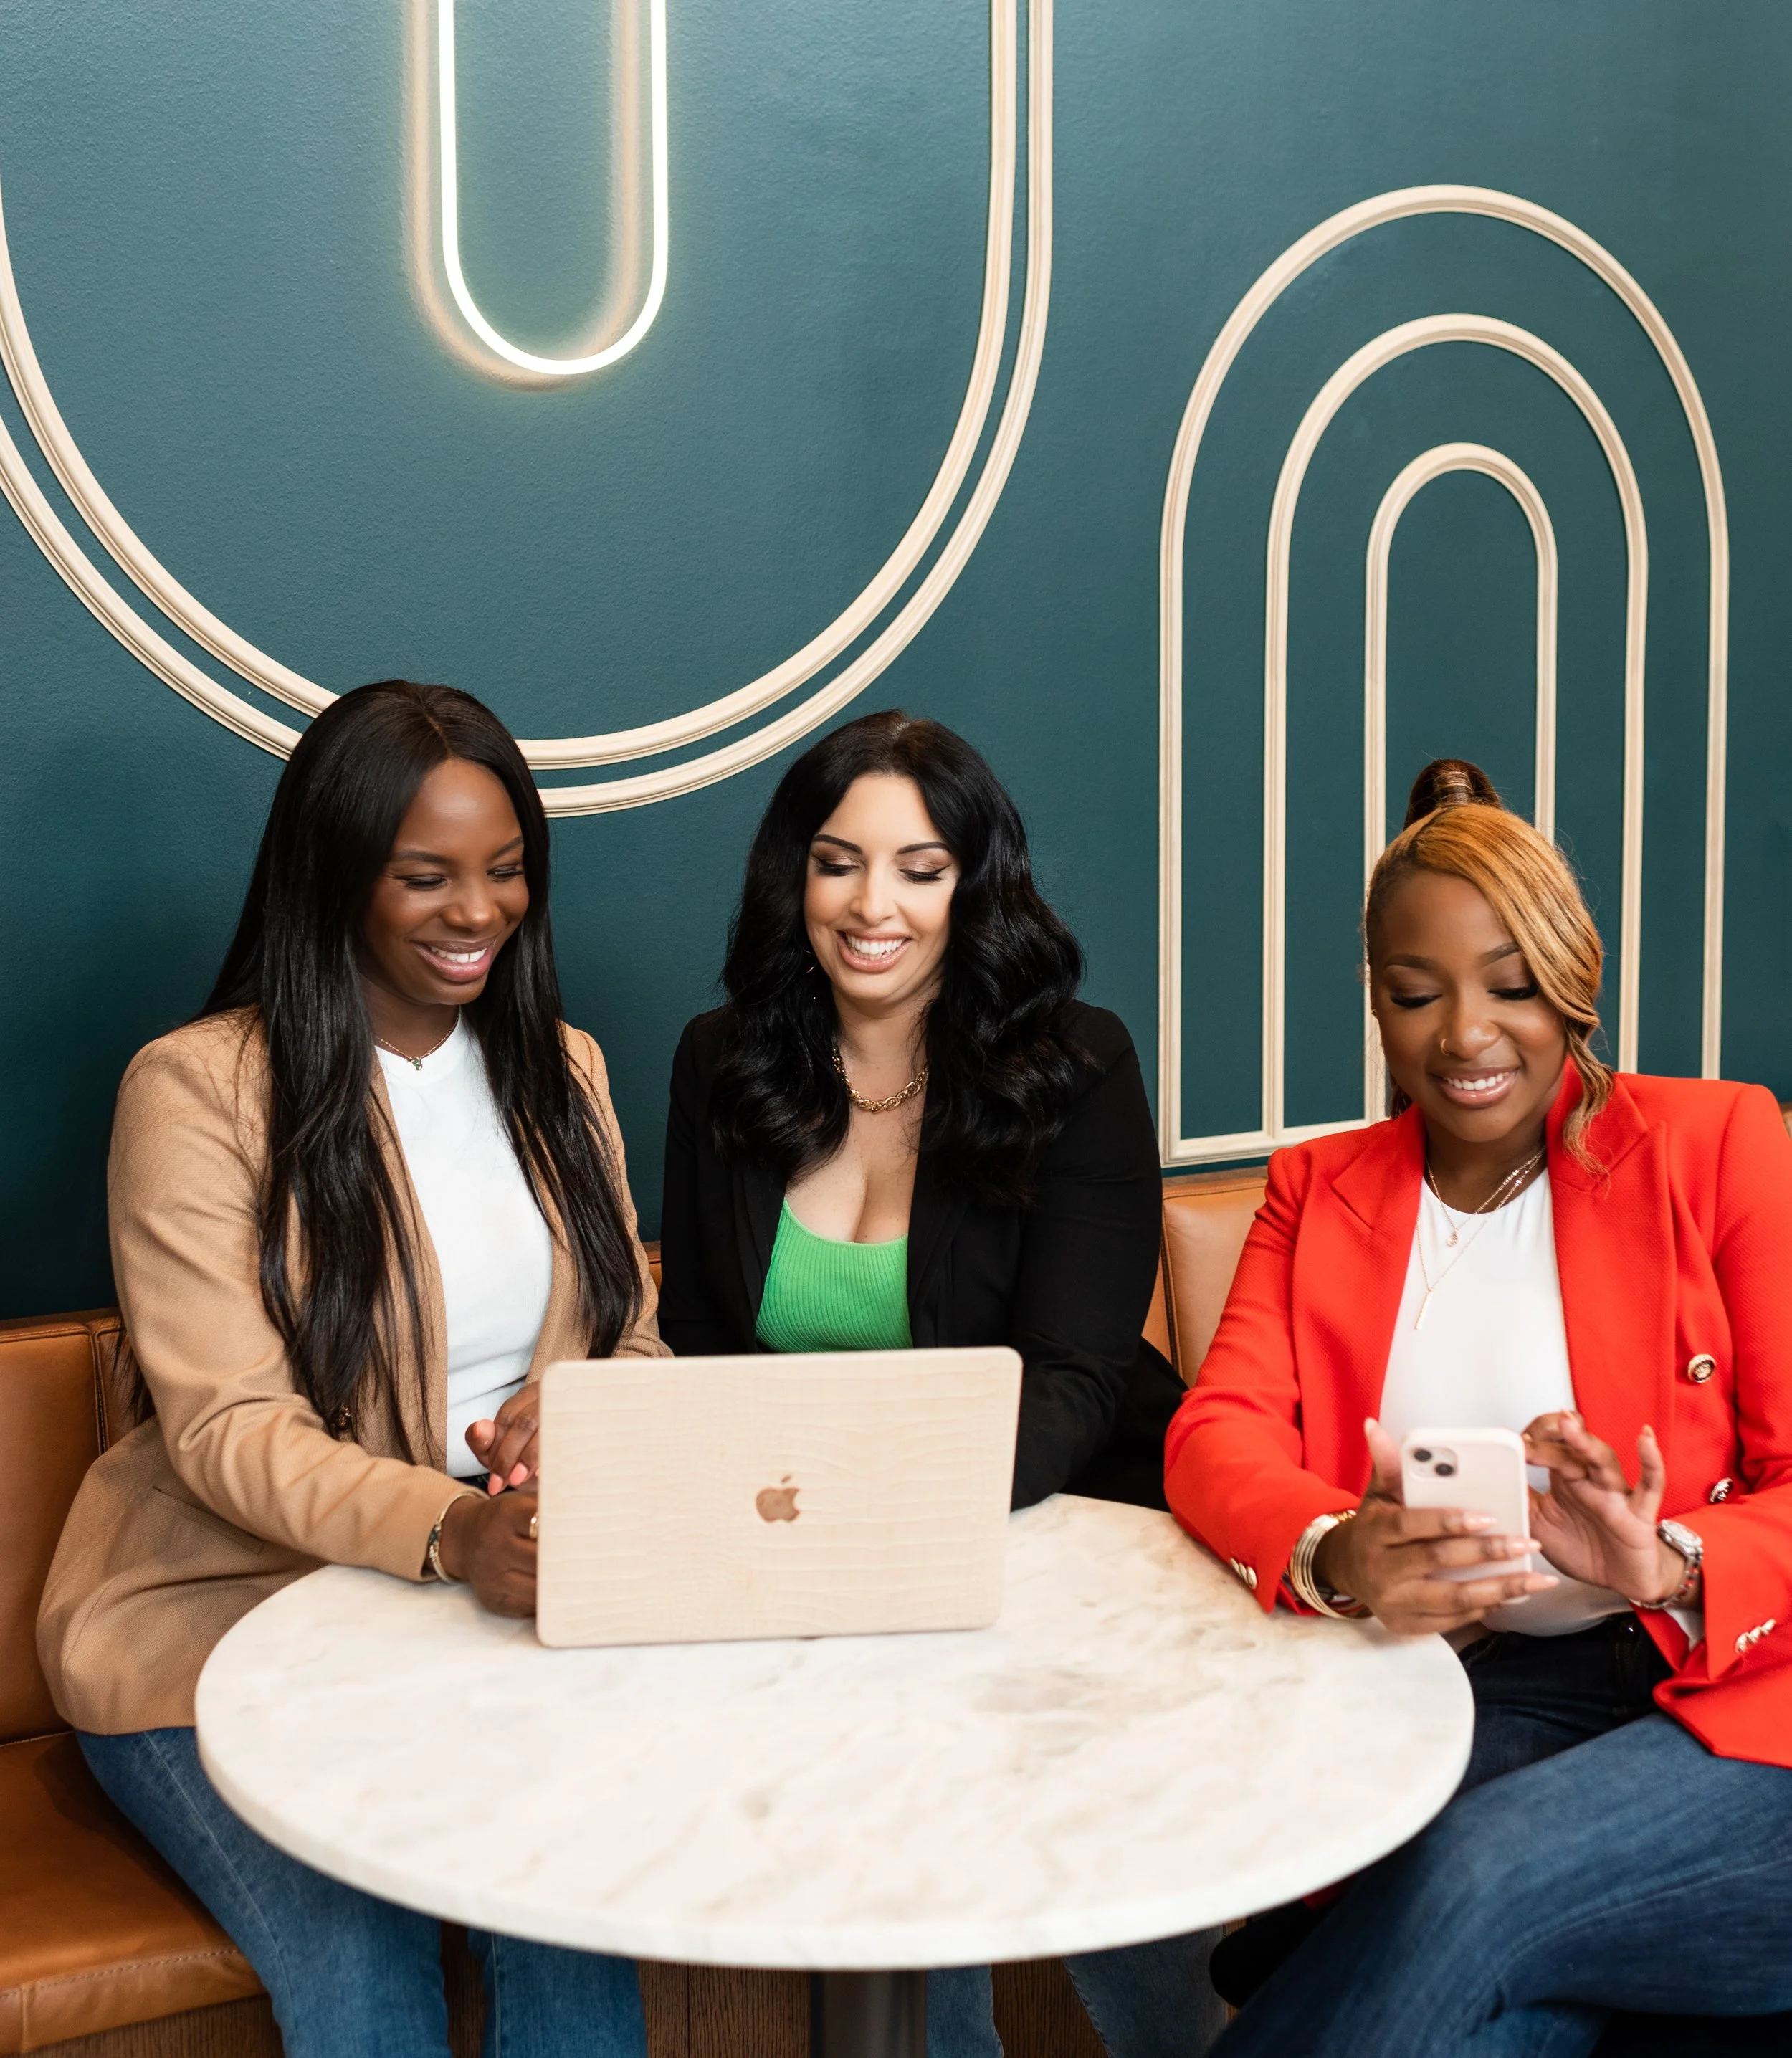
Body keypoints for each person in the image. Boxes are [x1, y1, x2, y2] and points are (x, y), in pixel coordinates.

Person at [38, 681, 666, 2058]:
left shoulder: (565, 1071)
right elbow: (228, 1426)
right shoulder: (199, 1089)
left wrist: (585, 1415)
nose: (477, 912)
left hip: (496, 1612)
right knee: (363, 1947)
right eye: (425, 875)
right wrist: (451, 1526)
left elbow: (629, 1341)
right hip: (219, 1623)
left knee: (569, 1899)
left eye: (506, 872)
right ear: (334, 875)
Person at [1170, 759, 1792, 2057]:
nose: (1465, 1033)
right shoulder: (1316, 1188)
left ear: (1574, 980)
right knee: (1493, 1982)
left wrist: (1669, 1561)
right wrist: (1338, 1550)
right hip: (1491, 1694)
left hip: (1742, 1702)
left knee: (1475, 1875)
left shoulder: (1723, 1144)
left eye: (1512, 986)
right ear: (1376, 1003)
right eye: (1417, 992)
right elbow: (1217, 1430)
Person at [658, 709, 1221, 2058]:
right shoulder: (716, 1062)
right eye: (839, 862)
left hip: (1054, 1533)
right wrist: (807, 1546)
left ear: (975, 882)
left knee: (1015, 1791)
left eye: (921, 868)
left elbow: (1075, 1380)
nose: (875, 905)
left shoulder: (1077, 1063)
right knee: (877, 1802)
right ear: (791, 876)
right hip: (807, 1569)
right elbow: (698, 1344)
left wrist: (886, 1529)